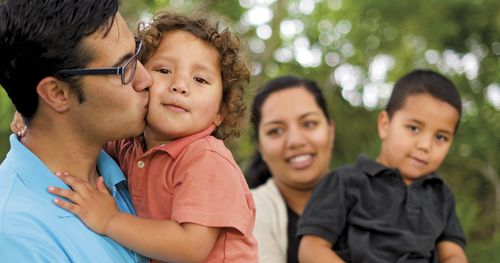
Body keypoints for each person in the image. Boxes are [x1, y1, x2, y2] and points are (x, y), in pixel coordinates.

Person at [47, 11, 258, 263]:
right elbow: (82, 128)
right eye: (164, 70)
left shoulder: (206, 160)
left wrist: (110, 220)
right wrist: (39, 114)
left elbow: (191, 247)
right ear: (141, 79)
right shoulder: (127, 144)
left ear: (221, 112)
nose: (179, 85)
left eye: (200, 79)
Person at [0, 0, 152, 262]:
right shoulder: (16, 235)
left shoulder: (132, 163)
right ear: (57, 94)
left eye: (137, 53)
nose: (146, 78)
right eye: (124, 68)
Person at [298, 69, 468, 263]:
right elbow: (311, 249)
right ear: (385, 125)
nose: (425, 146)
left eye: (440, 137)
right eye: (414, 128)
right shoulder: (345, 182)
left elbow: (453, 254)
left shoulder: (441, 195)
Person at [246, 76, 335, 263]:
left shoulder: (374, 197)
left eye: (309, 123)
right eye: (276, 130)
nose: (295, 141)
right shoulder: (247, 214)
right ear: (261, 147)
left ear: (330, 130)